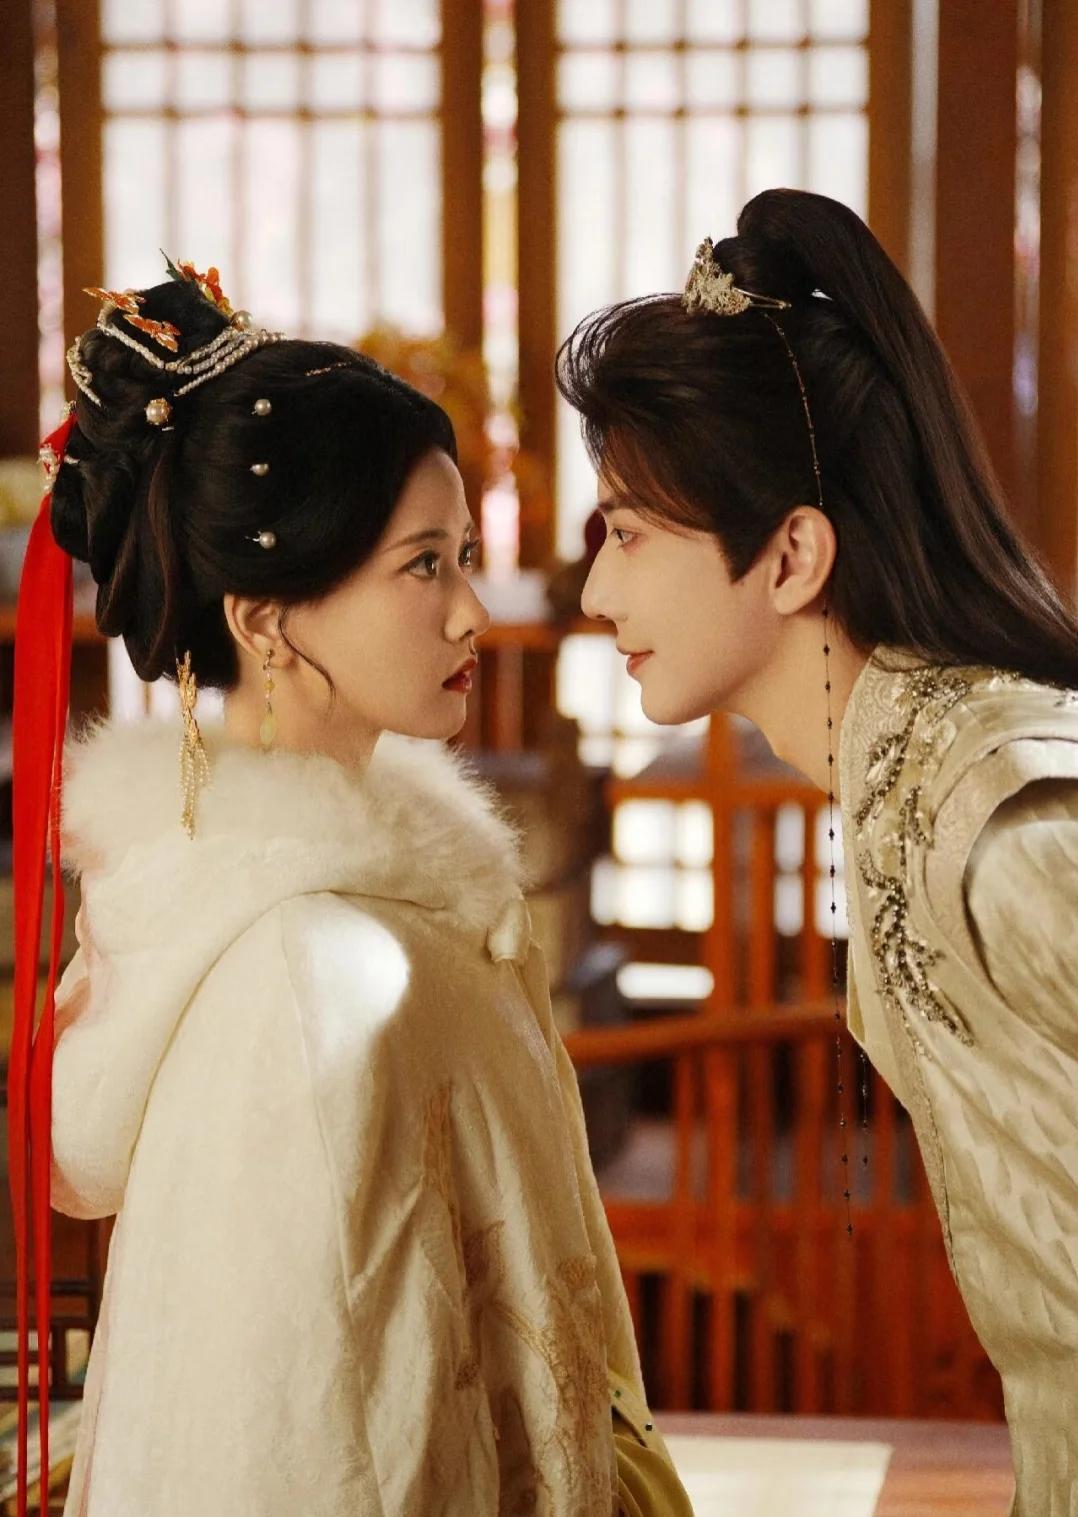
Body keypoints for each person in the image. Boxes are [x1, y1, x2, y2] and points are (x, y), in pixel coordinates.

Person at [11, 260, 693, 1517]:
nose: (471, 612)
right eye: (423, 564)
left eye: (464, 555)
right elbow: (294, 1436)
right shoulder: (303, 970)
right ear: (268, 619)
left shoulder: (362, 913)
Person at [557, 187, 1078, 1516]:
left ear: (789, 554)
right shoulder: (911, 780)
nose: (594, 591)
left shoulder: (1004, 822)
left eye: (627, 532)